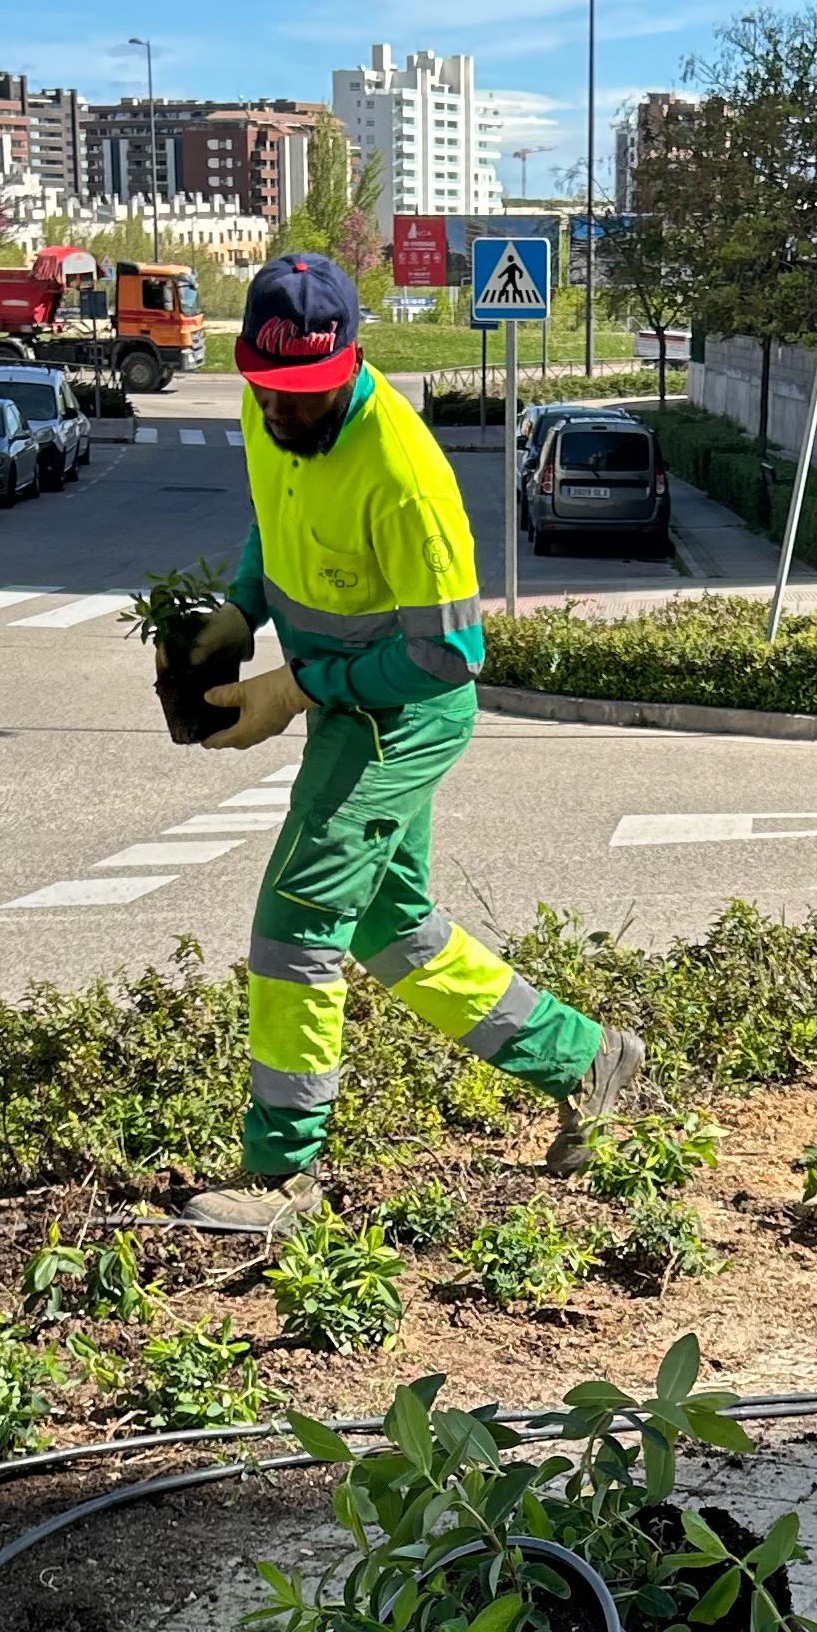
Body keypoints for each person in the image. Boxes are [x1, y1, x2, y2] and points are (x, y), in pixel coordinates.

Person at [181, 251, 641, 1235]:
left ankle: (282, 1181)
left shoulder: (403, 472)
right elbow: (277, 516)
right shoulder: (270, 415)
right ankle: (587, 1060)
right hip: (345, 707)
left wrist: (298, 686)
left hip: (401, 718)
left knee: (297, 919)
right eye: (271, 391)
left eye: (308, 393)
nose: (287, 413)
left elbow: (450, 659)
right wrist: (238, 606)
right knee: (394, 933)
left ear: (352, 361)